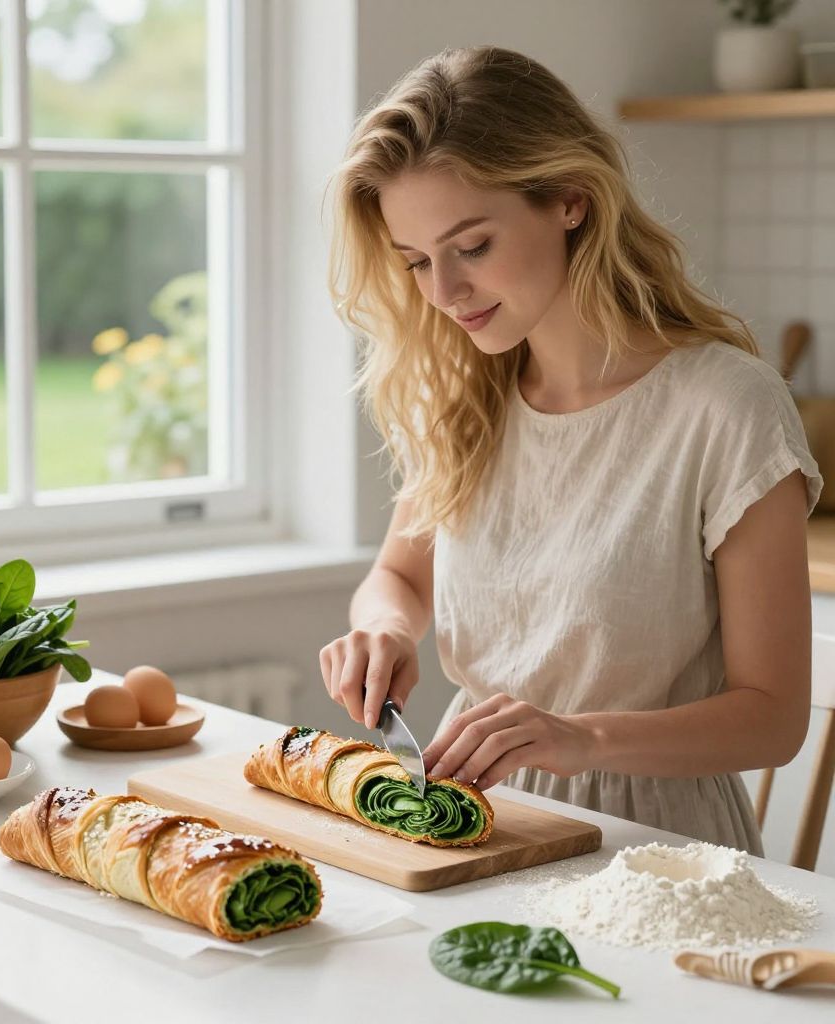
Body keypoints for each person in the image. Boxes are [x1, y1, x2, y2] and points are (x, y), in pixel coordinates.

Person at [317, 46, 821, 854]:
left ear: (570, 202)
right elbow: (400, 576)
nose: (443, 294)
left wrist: (580, 739)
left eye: (471, 247)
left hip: (658, 854)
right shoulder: (466, 397)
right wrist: (382, 630)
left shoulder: (726, 407)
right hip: (471, 824)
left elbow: (773, 717)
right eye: (416, 262)